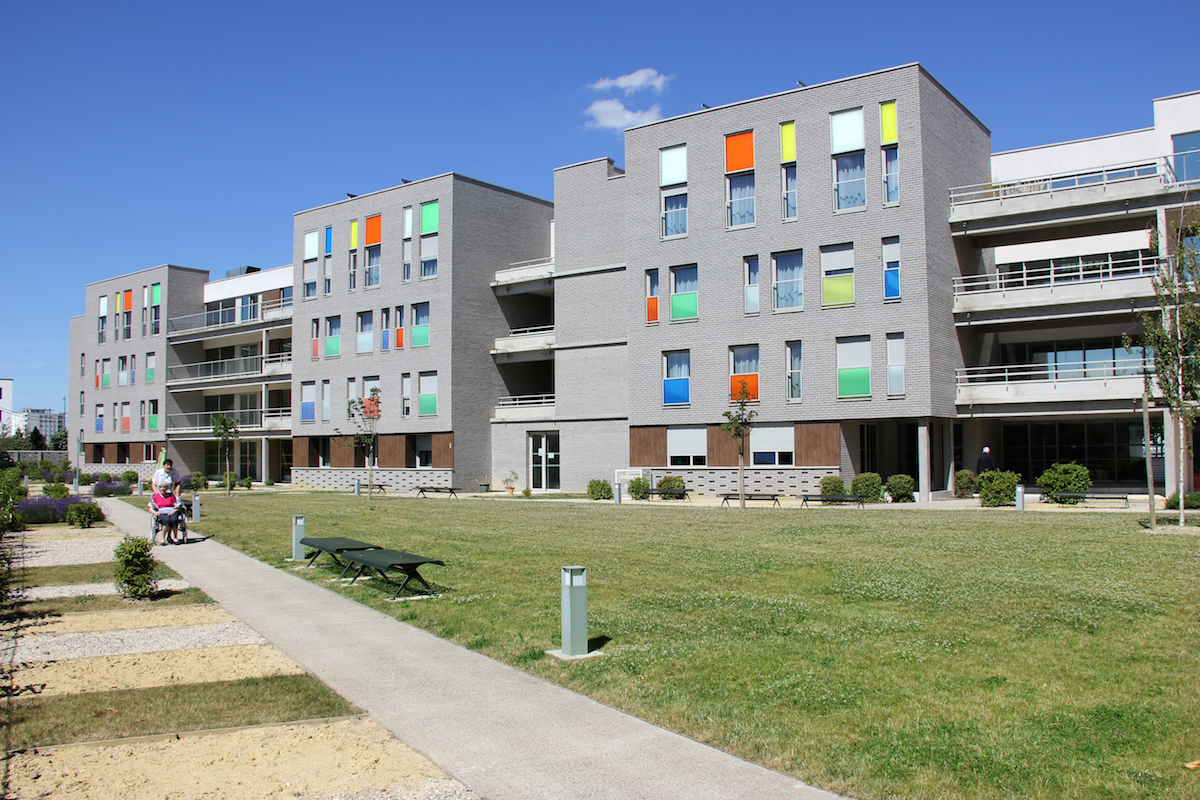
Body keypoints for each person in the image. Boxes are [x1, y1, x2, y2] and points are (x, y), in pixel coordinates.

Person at [149, 480, 182, 545]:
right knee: (166, 520)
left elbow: (176, 505)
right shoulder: (155, 497)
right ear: (158, 488)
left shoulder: (171, 496)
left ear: (167, 488)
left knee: (174, 519)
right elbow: (150, 508)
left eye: (164, 487)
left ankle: (175, 537)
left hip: (172, 511)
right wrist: (155, 513)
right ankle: (162, 539)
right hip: (162, 512)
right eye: (160, 487)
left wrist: (174, 510)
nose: (162, 489)